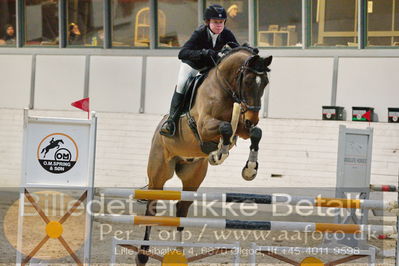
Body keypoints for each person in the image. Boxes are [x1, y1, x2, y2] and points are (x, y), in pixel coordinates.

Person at [160, 4, 239, 137]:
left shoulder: (226, 33)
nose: (219, 25)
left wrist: (248, 50)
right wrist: (203, 53)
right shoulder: (199, 33)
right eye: (215, 22)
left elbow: (237, 49)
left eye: (221, 22)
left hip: (209, 67)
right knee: (182, 84)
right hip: (192, 66)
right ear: (208, 22)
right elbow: (183, 53)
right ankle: (171, 121)